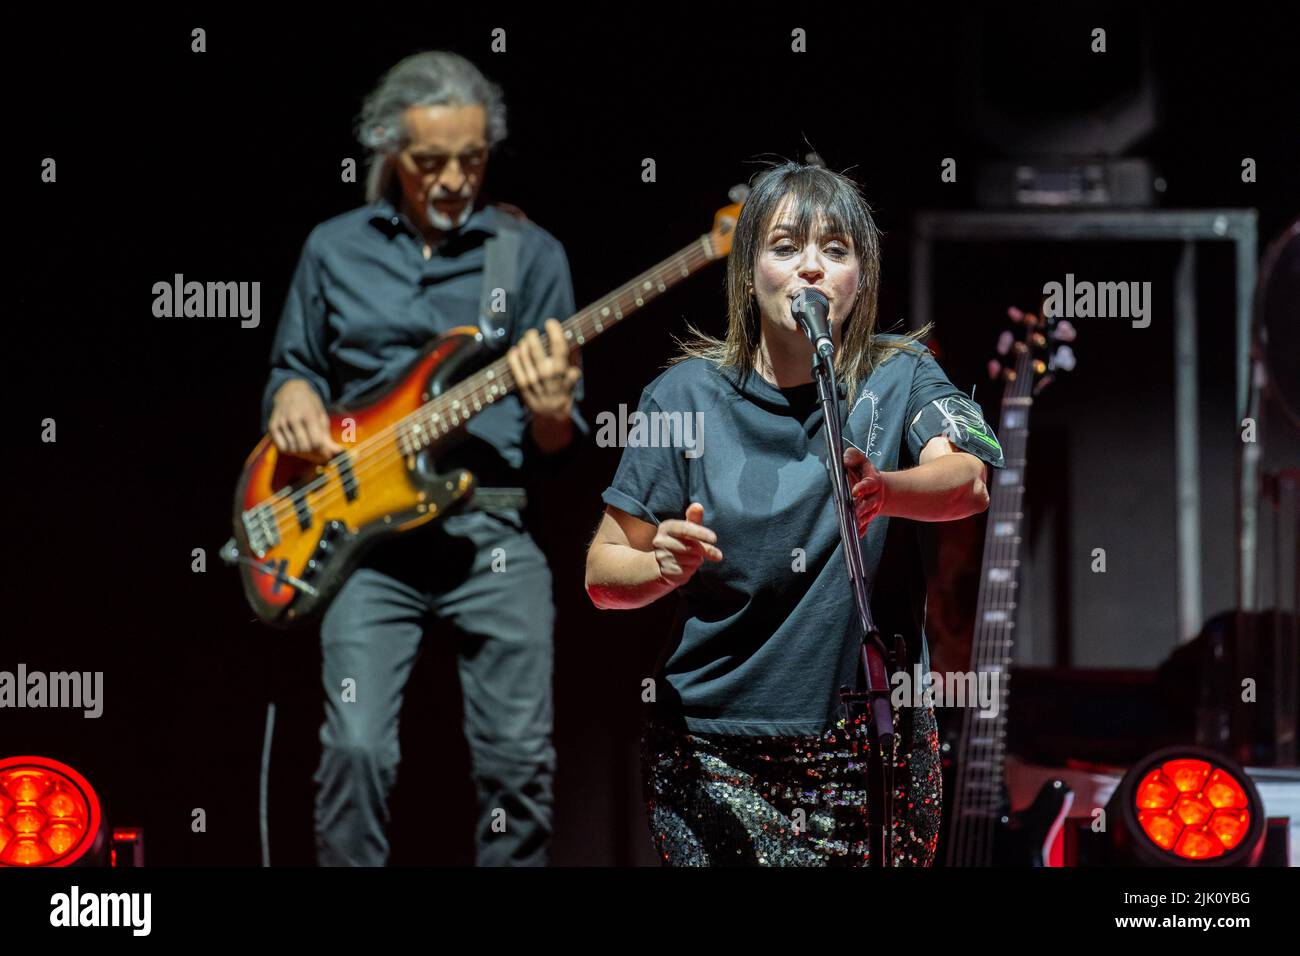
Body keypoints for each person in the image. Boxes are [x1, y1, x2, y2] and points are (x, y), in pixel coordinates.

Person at [583, 160, 1005, 866]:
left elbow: (968, 480)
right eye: (785, 248)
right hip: (713, 751)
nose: (811, 267)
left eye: (835, 251)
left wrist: (887, 490)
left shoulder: (900, 373)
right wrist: (660, 565)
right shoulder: (683, 397)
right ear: (750, 275)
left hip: (872, 746)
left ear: (860, 278)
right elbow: (602, 571)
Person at [262, 51, 585, 866]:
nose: (452, 179)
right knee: (357, 751)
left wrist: (550, 413)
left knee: (519, 767)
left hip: (493, 533)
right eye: (430, 160)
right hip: (361, 542)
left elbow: (557, 444)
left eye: (471, 160)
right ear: (386, 151)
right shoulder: (333, 250)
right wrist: (290, 398)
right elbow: (292, 370)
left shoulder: (530, 256)